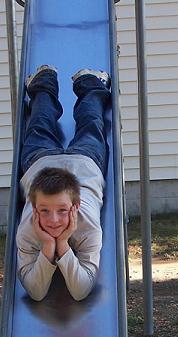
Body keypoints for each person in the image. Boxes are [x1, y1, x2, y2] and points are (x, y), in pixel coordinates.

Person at [16, 65, 111, 301]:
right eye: (45, 210)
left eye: (62, 210)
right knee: (91, 125)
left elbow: (80, 292)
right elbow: (36, 293)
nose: (53, 220)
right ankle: (87, 82)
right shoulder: (28, 228)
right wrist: (50, 245)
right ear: (34, 208)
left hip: (53, 162)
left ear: (75, 207)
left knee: (39, 125)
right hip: (82, 161)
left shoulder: (87, 224)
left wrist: (63, 244)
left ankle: (46, 80)